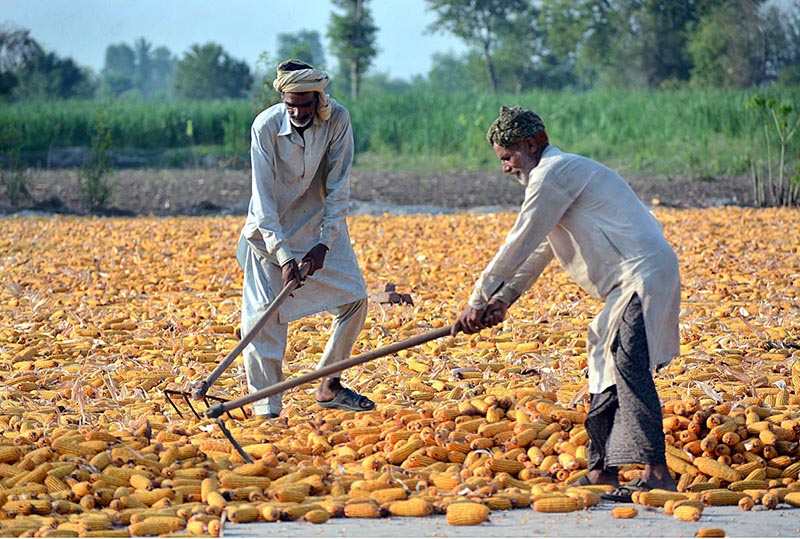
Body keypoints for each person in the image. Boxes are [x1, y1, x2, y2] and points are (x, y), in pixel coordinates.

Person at [452, 106, 681, 500]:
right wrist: (503, 299)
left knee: (627, 363)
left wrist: (476, 300)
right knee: (603, 363)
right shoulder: (553, 180)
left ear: (530, 144)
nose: (505, 168)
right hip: (624, 285)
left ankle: (657, 471)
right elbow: (541, 249)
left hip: (641, 275)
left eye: (508, 158)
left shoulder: (554, 173)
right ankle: (602, 470)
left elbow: (519, 241)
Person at [236, 59, 375, 419]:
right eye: (291, 104)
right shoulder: (265, 127)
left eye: (305, 104)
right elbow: (263, 201)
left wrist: (324, 244)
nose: (298, 111)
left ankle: (329, 384)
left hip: (317, 227)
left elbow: (339, 185)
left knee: (355, 299)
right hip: (269, 235)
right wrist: (283, 256)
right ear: (283, 100)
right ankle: (266, 408)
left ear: (319, 98)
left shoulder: (338, 120)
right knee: (262, 322)